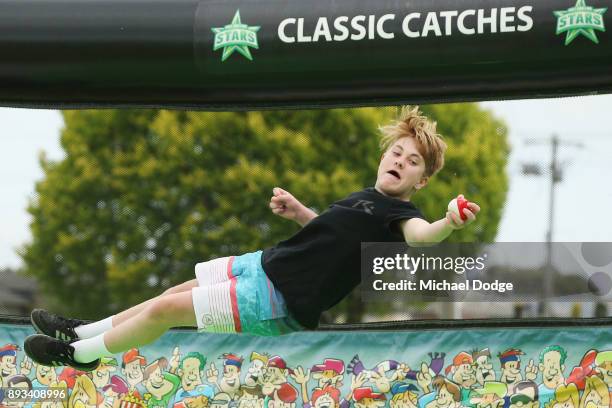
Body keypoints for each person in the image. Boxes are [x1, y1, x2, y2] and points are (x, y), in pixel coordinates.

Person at [24, 106, 480, 372]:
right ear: (384, 155)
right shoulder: (365, 197)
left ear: (420, 182)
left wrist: (448, 224)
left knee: (166, 311)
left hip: (277, 299)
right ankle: (83, 329)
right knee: (174, 292)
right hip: (265, 263)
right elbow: (330, 239)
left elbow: (422, 238)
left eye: (414, 161)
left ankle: (80, 354)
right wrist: (302, 212)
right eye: (397, 151)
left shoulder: (403, 213)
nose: (401, 160)